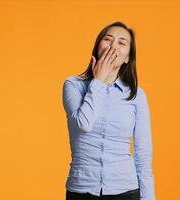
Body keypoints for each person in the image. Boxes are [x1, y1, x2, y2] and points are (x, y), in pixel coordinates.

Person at [62, 21, 155, 200]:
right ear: (97, 47)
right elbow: (84, 124)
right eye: (108, 40)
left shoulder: (137, 95)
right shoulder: (73, 85)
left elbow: (143, 153)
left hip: (125, 190)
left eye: (122, 43)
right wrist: (99, 81)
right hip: (82, 190)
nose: (113, 46)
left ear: (128, 57)